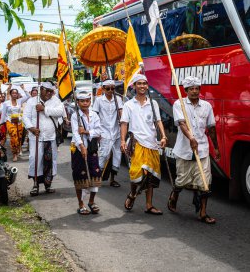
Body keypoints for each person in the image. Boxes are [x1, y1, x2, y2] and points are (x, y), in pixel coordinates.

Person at [167, 76, 221, 224]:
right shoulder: (179, 104)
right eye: (191, 89)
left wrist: (216, 148)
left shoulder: (206, 106)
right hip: (184, 150)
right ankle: (174, 196)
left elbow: (211, 128)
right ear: (186, 90)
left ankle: (202, 213)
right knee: (181, 181)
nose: (195, 91)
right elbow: (182, 124)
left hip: (202, 149)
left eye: (197, 89)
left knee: (205, 183)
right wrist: (191, 138)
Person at [120, 74, 167, 215]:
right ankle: (133, 194)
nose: (142, 86)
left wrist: (163, 136)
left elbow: (158, 121)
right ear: (134, 86)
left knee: (150, 175)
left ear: (147, 86)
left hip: (152, 143)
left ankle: (149, 205)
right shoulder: (128, 105)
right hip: (136, 143)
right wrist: (123, 140)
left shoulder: (153, 104)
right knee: (136, 174)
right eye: (139, 83)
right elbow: (124, 123)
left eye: (145, 83)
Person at [23, 81, 64, 196]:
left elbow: (60, 111)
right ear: (41, 89)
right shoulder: (31, 101)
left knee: (50, 161)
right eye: (47, 90)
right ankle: (35, 185)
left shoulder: (55, 101)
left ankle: (48, 184)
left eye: (51, 91)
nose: (49, 93)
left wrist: (44, 109)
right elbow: (25, 117)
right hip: (36, 137)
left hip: (51, 138)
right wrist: (31, 128)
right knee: (35, 160)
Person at [71, 91, 101, 215]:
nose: (85, 103)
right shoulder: (75, 116)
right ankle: (81, 204)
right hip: (78, 149)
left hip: (92, 148)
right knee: (80, 175)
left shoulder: (94, 115)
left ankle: (91, 201)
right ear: (78, 102)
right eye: (82, 101)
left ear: (90, 101)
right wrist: (81, 146)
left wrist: (87, 132)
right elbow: (75, 132)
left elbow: (99, 131)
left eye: (87, 101)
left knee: (95, 173)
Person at [93, 79, 123, 187]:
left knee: (117, 156)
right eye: (108, 88)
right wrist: (97, 132)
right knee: (103, 155)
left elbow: (121, 112)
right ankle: (97, 178)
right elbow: (95, 115)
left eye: (113, 88)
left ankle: (112, 179)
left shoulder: (118, 99)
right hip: (103, 131)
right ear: (103, 89)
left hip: (116, 132)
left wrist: (122, 120)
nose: (110, 90)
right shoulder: (99, 100)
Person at [0, 85, 30, 161]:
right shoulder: (6, 103)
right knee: (13, 137)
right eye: (13, 93)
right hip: (10, 122)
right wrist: (1, 124)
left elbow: (28, 96)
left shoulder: (20, 101)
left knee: (19, 138)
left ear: (17, 94)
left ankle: (18, 150)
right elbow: (3, 114)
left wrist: (24, 89)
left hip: (19, 122)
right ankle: (14, 154)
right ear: (10, 94)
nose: (14, 94)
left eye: (16, 93)